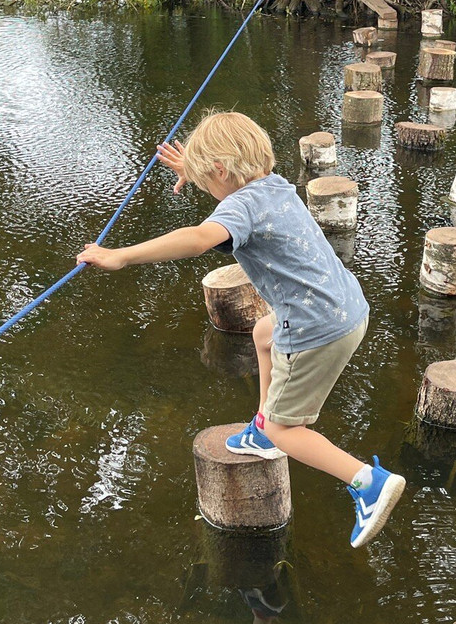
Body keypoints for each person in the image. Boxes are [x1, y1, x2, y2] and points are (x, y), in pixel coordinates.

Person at [76, 111, 405, 548]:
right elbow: (227, 187)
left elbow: (197, 238)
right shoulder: (273, 185)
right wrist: (190, 171)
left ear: (220, 171)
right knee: (262, 333)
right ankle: (263, 427)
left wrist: (120, 255)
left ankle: (366, 480)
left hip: (314, 328)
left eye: (204, 179)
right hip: (346, 307)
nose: (207, 190)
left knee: (287, 431)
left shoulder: (238, 207)